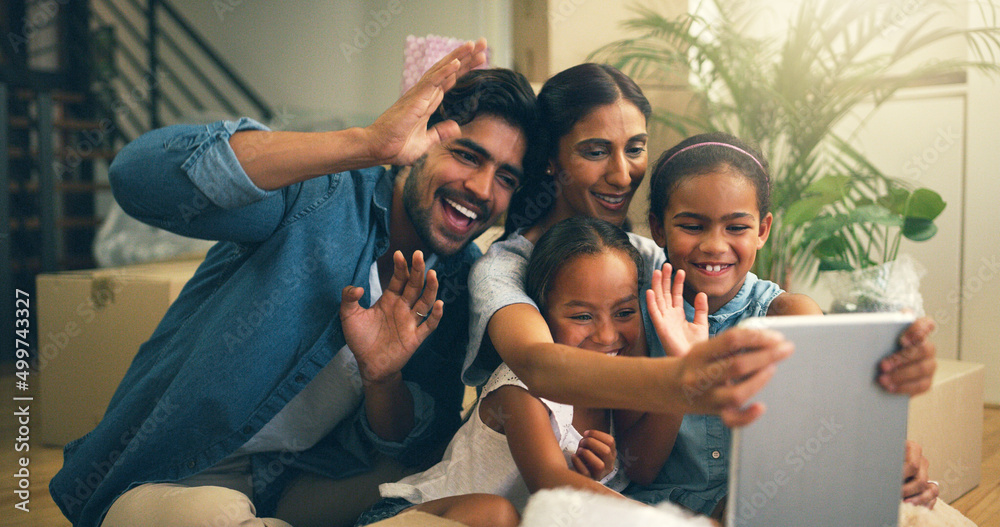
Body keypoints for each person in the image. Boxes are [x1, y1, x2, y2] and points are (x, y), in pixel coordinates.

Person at [49, 40, 544, 527]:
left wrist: (383, 379)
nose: (482, 190)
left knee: (476, 504)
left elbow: (413, 443)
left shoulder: (456, 279)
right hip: (182, 473)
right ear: (419, 144)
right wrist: (367, 143)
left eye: (506, 177)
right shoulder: (321, 195)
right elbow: (137, 177)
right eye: (467, 155)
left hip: (301, 483)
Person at [626, 131, 940, 517]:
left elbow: (835, 429)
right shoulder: (636, 316)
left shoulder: (790, 316)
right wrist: (681, 372)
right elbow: (640, 469)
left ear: (762, 230)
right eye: (692, 226)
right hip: (662, 513)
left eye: (736, 227)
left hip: (767, 509)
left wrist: (893, 459)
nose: (714, 245)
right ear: (658, 229)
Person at [356, 216, 694, 527]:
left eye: (623, 312)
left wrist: (685, 370)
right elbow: (549, 484)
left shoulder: (614, 387)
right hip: (411, 518)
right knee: (495, 514)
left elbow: (643, 468)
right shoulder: (520, 385)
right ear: (541, 313)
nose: (607, 335)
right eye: (581, 316)